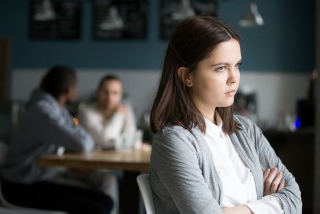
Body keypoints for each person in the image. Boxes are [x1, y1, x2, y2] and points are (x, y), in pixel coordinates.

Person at [149, 16, 302, 214]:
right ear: (187, 76)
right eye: (221, 68)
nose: (234, 78)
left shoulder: (246, 129)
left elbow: (294, 199)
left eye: (237, 65)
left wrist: (231, 210)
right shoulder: (174, 141)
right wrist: (267, 203)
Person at [0, 65, 113, 214]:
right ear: (69, 90)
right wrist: (78, 130)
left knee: (106, 202)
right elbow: (83, 143)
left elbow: (78, 132)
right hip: (19, 187)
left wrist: (78, 129)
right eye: (75, 86)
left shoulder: (58, 110)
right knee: (97, 209)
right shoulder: (43, 112)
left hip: (36, 181)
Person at [78, 74, 137, 150]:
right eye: (105, 92)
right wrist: (118, 115)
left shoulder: (126, 110)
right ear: (98, 92)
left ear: (121, 95)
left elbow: (130, 139)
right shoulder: (85, 112)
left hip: (122, 159)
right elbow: (106, 139)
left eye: (115, 93)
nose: (109, 97)